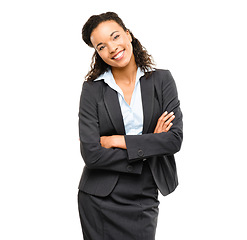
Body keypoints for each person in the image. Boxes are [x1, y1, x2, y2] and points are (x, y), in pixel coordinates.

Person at [78, 12, 183, 240]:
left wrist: (118, 140)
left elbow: (173, 140)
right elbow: (91, 155)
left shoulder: (162, 81)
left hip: (144, 193)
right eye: (101, 46)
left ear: (128, 35)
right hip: (99, 197)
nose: (112, 48)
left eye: (115, 37)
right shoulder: (92, 90)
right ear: (97, 53)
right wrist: (149, 145)